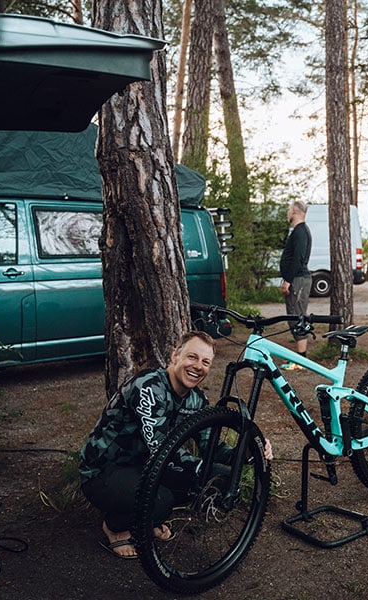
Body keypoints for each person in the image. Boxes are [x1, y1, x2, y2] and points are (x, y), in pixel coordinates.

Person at [79, 331, 271, 559]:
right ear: (174, 356)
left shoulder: (197, 399)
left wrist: (248, 451)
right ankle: (115, 527)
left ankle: (147, 519)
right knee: (162, 501)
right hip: (103, 471)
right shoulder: (149, 386)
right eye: (192, 357)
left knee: (222, 477)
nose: (198, 366)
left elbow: (211, 447)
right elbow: (159, 448)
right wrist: (199, 469)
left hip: (145, 468)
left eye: (205, 362)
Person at [279, 200, 312, 370]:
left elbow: (298, 258)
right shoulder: (299, 231)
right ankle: (300, 359)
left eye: (289, 209)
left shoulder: (300, 231)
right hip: (297, 279)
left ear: (294, 211)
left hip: (298, 280)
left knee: (297, 316)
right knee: (295, 316)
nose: (288, 212)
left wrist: (288, 280)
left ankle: (301, 361)